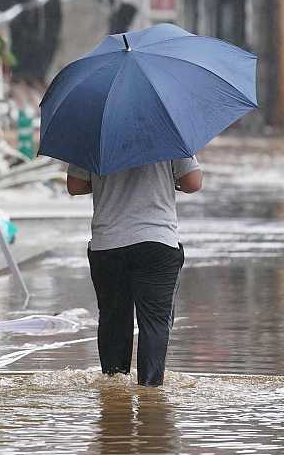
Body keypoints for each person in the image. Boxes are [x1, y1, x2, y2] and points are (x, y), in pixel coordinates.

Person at [65, 157, 202, 387]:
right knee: (155, 323)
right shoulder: (168, 129)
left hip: (108, 244)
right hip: (157, 242)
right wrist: (171, 181)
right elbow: (193, 182)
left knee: (113, 320)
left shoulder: (96, 131)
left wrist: (101, 184)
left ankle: (113, 389)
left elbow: (74, 185)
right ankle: (149, 390)